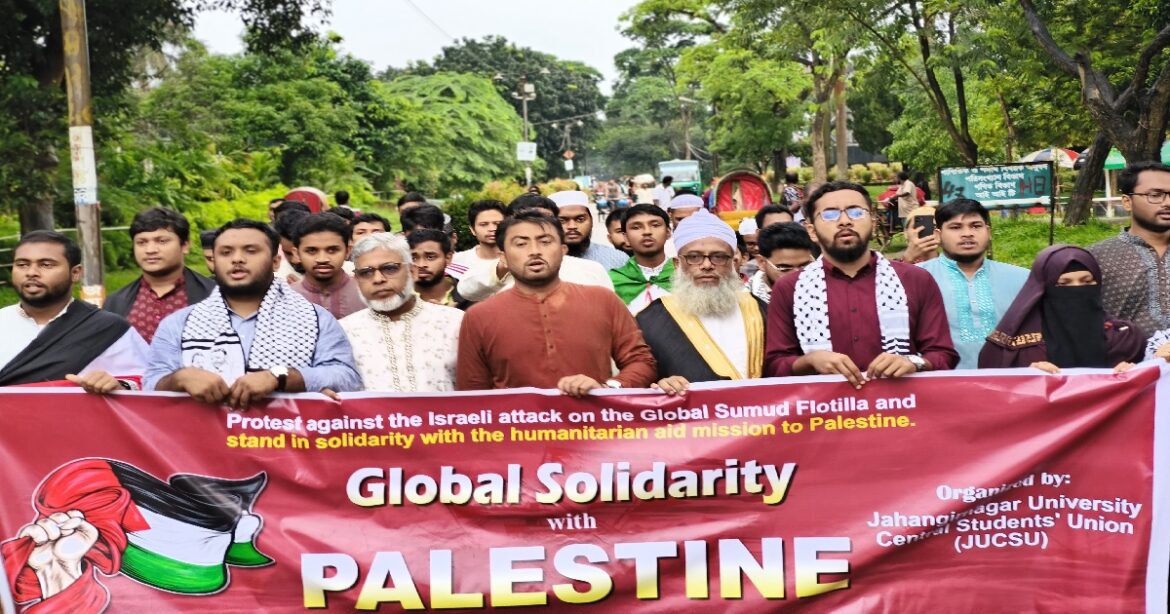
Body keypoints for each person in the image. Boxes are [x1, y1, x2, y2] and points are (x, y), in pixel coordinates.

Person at [144, 219, 362, 405]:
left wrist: (280, 377)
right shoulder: (180, 323)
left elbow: (346, 377)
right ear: (214, 261)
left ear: (275, 262)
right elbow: (151, 384)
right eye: (226, 252)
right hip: (202, 439)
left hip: (286, 438)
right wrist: (181, 378)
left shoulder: (315, 319)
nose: (237, 259)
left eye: (250, 251)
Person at [765, 181, 958, 386]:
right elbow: (775, 366)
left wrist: (913, 362)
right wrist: (810, 361)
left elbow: (943, 355)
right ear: (812, 231)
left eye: (856, 212)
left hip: (902, 404)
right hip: (823, 406)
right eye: (830, 215)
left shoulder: (915, 280)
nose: (845, 221)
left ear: (873, 223)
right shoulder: (790, 288)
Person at [457, 210, 656, 395]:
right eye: (521, 244)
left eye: (545, 242)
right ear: (504, 258)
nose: (534, 251)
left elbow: (641, 361)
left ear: (563, 251)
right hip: (517, 422)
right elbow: (473, 394)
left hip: (594, 419)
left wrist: (607, 388)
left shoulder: (603, 300)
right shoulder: (479, 317)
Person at [637, 210, 768, 392]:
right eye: (694, 257)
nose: (706, 265)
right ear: (677, 264)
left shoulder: (762, 310)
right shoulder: (650, 320)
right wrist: (659, 384)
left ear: (733, 262)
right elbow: (640, 379)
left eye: (718, 257)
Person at [0, 231, 149, 390]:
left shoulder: (108, 329)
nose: (31, 273)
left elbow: (151, 382)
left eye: (46, 265)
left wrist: (120, 386)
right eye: (22, 265)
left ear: (75, 273)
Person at [978, 245, 1143, 372]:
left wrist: (1132, 373)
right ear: (1043, 289)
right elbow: (992, 389)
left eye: (1086, 282)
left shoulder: (1124, 338)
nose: (1077, 289)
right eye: (1064, 284)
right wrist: (1026, 375)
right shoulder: (1011, 348)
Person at [340, 232, 463, 392]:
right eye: (366, 272)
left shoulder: (454, 323)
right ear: (356, 280)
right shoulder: (343, 332)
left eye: (390, 269)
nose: (378, 279)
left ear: (412, 272)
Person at [915, 199, 1029, 369]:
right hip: (938, 380)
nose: (967, 234)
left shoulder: (1022, 278)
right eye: (955, 227)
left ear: (988, 232)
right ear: (938, 235)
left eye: (976, 226)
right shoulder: (915, 278)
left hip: (1009, 379)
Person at [457, 194, 614, 302]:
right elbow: (467, 290)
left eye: (545, 220)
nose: (536, 227)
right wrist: (502, 268)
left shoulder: (591, 270)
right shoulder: (499, 269)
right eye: (527, 221)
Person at [105, 208, 216, 343]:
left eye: (162, 241)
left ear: (185, 246)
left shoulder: (215, 296)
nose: (150, 250)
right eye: (142, 242)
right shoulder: (116, 302)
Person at [1088, 161, 1170, 340]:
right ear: (1127, 202)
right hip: (1124, 356)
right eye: (1155, 195)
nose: (1167, 203)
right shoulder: (1095, 258)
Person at [289, 213, 364, 320]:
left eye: (332, 250)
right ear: (297, 254)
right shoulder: (285, 299)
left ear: (348, 251)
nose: (322, 259)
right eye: (311, 251)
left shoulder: (367, 294)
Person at [609, 204, 675, 314]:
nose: (647, 232)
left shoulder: (685, 274)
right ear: (626, 237)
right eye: (636, 227)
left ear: (668, 232)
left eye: (655, 225)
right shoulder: (613, 280)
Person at [551, 190, 627, 269]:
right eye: (562, 221)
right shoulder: (544, 262)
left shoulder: (617, 259)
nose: (572, 226)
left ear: (591, 221)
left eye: (580, 219)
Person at [747, 222, 818, 303]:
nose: (797, 276)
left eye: (805, 266)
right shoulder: (745, 302)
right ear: (762, 263)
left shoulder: (824, 289)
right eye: (785, 268)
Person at [408, 229, 467, 309]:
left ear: (448, 258)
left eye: (430, 257)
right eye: (413, 258)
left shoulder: (471, 296)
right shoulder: (395, 300)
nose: (421, 265)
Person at [452, 199, 505, 273]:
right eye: (483, 224)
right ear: (472, 229)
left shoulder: (517, 259)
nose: (492, 229)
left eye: (497, 224)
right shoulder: (457, 262)